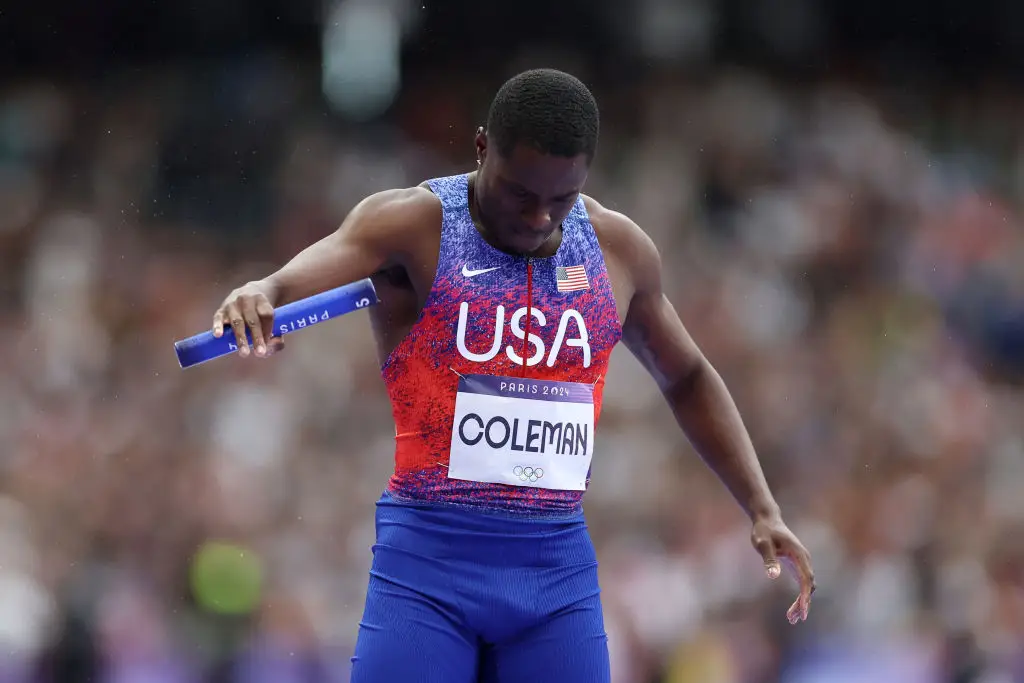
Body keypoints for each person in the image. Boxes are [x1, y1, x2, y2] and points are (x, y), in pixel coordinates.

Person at [210, 68, 815, 683]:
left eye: (562, 198)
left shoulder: (618, 252)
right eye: (519, 193)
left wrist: (762, 507)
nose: (537, 217)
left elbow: (686, 376)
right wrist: (264, 289)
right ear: (481, 148)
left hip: (555, 579)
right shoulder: (414, 225)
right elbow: (301, 273)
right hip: (427, 569)